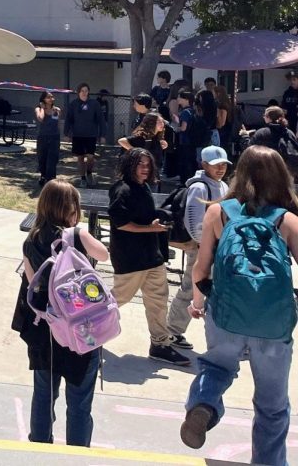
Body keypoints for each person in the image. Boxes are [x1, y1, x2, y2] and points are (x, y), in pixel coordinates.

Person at [180, 146, 298, 464]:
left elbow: (201, 268)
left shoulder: (219, 212)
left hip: (225, 314)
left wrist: (198, 302)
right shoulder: (286, 220)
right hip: (273, 324)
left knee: (217, 367)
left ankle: (204, 403)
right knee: (272, 405)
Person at [11, 178, 109, 447]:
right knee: (79, 399)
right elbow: (103, 255)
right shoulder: (76, 235)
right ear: (71, 209)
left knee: (44, 392)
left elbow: (33, 284)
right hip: (80, 328)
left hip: (46, 330)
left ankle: (40, 444)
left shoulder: (31, 240)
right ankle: (78, 451)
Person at [108, 147, 190, 366]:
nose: (144, 169)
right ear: (129, 165)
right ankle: (82, 324)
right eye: (140, 164)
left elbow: (143, 218)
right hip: (130, 258)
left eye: (148, 165)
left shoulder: (144, 187)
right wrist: (150, 229)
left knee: (158, 301)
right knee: (117, 299)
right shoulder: (121, 190)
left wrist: (158, 219)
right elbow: (121, 223)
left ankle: (160, 344)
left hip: (152, 257)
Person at [164, 145, 229, 354]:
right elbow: (193, 221)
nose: (220, 169)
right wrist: (204, 244)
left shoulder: (223, 186)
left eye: (223, 165)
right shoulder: (199, 188)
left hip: (217, 248)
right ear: (204, 165)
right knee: (191, 288)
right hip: (203, 249)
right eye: (215, 165)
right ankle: (171, 331)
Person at [63, 83, 103, 187]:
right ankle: (83, 178)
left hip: (91, 135)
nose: (84, 93)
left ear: (88, 92)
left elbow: (101, 120)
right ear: (78, 92)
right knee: (80, 158)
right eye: (82, 91)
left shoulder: (94, 104)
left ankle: (89, 172)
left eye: (86, 91)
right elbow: (69, 119)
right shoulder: (73, 104)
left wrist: (102, 135)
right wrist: (66, 133)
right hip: (77, 135)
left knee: (90, 157)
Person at [119, 112, 169, 184]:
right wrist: (136, 151)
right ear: (151, 123)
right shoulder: (142, 137)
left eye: (162, 122)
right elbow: (121, 141)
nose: (162, 124)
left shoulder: (156, 138)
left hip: (154, 174)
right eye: (159, 122)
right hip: (141, 176)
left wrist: (163, 145)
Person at [34, 92, 62, 185]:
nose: (51, 99)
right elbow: (41, 119)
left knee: (52, 159)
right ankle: (43, 175)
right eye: (48, 97)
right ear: (43, 99)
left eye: (52, 97)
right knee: (42, 158)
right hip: (43, 137)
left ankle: (51, 180)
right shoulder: (38, 109)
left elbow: (57, 124)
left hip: (54, 138)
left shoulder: (57, 110)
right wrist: (42, 108)